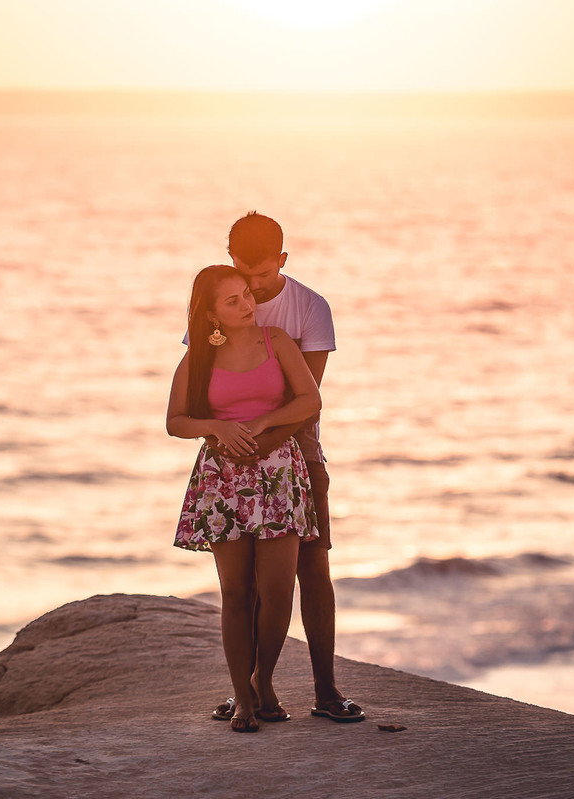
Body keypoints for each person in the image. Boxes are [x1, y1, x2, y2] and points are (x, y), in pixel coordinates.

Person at [207, 212, 365, 724]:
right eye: (241, 273)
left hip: (299, 455)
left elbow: (307, 400)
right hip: (234, 460)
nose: (250, 289)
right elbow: (205, 392)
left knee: (313, 568)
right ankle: (248, 691)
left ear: (282, 260)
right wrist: (232, 445)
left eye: (260, 275)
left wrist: (261, 442)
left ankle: (325, 689)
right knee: (247, 581)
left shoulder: (309, 307)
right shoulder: (219, 303)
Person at [167, 264, 322, 733]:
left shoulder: (278, 341)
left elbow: (309, 401)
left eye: (246, 296)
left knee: (277, 591)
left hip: (279, 477)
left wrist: (258, 425)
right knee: (236, 593)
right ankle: (242, 697)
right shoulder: (198, 358)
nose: (247, 304)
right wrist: (216, 425)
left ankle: (264, 679)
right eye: (232, 301)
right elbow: (176, 421)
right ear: (210, 313)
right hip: (223, 481)